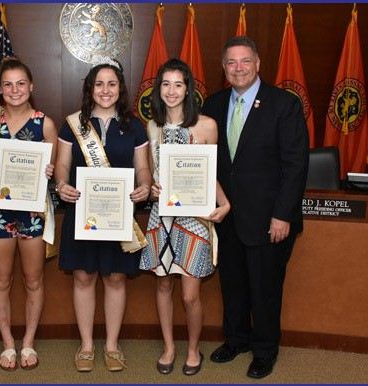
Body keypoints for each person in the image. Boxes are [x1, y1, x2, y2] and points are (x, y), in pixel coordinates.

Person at [201, 36, 309, 379]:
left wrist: (282, 215)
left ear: (258, 64)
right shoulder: (213, 104)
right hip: (227, 214)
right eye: (231, 63)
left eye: (245, 61)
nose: (238, 68)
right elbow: (208, 162)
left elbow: (296, 165)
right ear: (223, 68)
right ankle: (236, 340)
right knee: (232, 284)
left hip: (268, 218)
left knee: (265, 288)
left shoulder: (283, 104)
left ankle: (264, 350)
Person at [54, 58, 151, 372]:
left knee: (115, 277)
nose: (105, 90)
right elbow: (63, 165)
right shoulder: (73, 124)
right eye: (99, 84)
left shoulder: (134, 125)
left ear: (120, 88)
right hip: (82, 211)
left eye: (112, 84)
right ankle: (85, 346)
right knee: (83, 276)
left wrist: (145, 186)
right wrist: (61, 184)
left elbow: (143, 168)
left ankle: (111, 345)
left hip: (118, 214)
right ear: (89, 88)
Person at [139, 58, 231, 376]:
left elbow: (211, 173)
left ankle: (193, 349)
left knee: (190, 294)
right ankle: (168, 347)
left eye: (179, 84)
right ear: (158, 89)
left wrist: (224, 203)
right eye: (166, 84)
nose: (172, 90)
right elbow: (148, 175)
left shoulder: (206, 126)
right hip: (160, 217)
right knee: (163, 286)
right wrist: (150, 188)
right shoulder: (151, 126)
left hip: (194, 219)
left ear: (188, 89)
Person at [0, 56, 57, 371]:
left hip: (32, 212)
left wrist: (52, 171)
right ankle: (8, 344)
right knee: (1, 278)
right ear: (0, 88)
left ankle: (27, 342)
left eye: (21, 83)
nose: (15, 90)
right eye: (8, 84)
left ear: (31, 87)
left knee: (33, 279)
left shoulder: (45, 123)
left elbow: (57, 170)